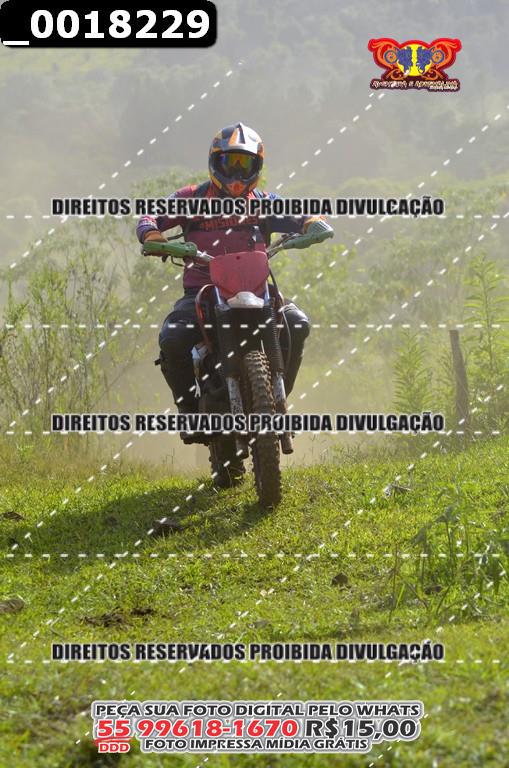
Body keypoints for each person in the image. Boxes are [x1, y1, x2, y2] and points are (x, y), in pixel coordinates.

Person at [136, 122, 333, 431]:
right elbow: (149, 216)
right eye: (231, 163)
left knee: (297, 324)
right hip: (202, 292)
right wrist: (153, 235)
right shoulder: (192, 197)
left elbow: (302, 213)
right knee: (173, 338)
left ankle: (278, 397)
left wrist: (314, 223)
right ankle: (189, 412)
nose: (238, 174)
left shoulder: (264, 202)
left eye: (245, 164)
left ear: (257, 166)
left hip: (257, 290)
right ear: (216, 162)